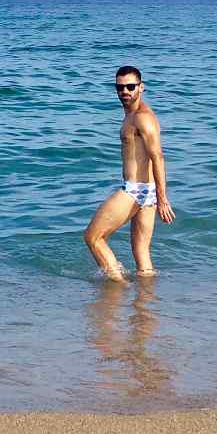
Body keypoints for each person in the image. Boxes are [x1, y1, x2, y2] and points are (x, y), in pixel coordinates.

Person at [84, 66, 175, 281]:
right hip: (146, 192)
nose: (124, 91)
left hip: (137, 190)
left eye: (130, 87)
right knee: (141, 253)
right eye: (120, 87)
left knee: (93, 238)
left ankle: (117, 287)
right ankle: (145, 306)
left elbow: (158, 157)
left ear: (141, 88)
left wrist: (162, 199)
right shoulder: (131, 115)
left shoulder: (143, 118)